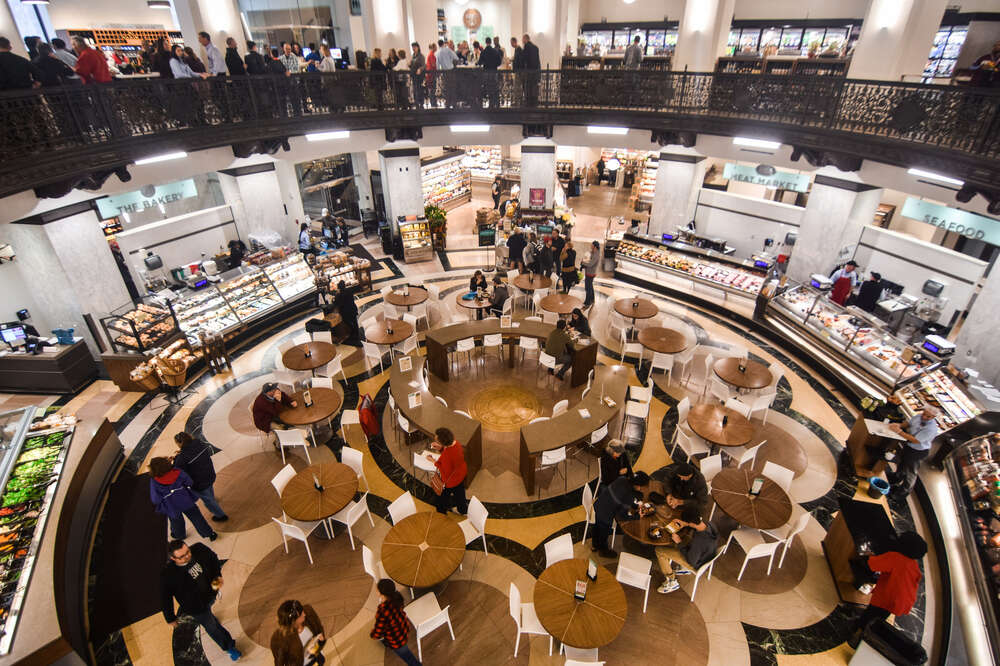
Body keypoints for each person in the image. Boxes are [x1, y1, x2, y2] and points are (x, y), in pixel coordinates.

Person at [161, 539, 241, 660]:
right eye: (182, 556)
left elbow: (213, 559)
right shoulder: (168, 575)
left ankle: (212, 617)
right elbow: (165, 598)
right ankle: (229, 646)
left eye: (188, 551)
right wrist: (170, 618)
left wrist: (217, 576)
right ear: (173, 559)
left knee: (211, 616)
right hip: (196, 607)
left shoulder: (199, 549)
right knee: (212, 627)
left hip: (210, 593)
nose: (187, 556)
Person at [848, 531, 926, 649]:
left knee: (869, 616)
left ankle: (857, 635)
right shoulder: (913, 565)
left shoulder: (895, 557)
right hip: (900, 602)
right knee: (879, 617)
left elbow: (872, 564)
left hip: (887, 597)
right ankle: (866, 632)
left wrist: (869, 555)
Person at [149, 457, 218, 541]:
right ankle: (209, 533)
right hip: (186, 500)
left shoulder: (155, 482)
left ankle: (179, 535)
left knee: (176, 522)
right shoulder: (177, 472)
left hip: (171, 506)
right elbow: (189, 482)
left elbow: (155, 499)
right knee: (197, 517)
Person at [655, 504, 719, 594]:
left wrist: (679, 542)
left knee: (659, 550)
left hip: (697, 563)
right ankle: (680, 568)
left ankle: (671, 581)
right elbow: (694, 526)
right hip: (707, 553)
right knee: (685, 539)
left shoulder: (699, 541)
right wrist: (685, 524)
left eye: (687, 522)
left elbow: (690, 560)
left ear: (692, 523)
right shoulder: (709, 524)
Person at [592, 471, 651, 557]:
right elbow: (622, 516)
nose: (642, 489)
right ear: (638, 486)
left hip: (599, 504)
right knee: (604, 532)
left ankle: (594, 545)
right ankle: (603, 551)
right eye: (643, 487)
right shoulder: (629, 496)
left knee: (597, 526)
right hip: (606, 514)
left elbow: (620, 497)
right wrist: (637, 516)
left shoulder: (622, 479)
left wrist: (635, 506)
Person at [173, 432, 228, 523]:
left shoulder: (182, 458)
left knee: (207, 500)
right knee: (209, 489)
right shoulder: (199, 443)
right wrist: (181, 452)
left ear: (179, 443)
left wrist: (176, 459)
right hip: (209, 473)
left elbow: (179, 470)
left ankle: (220, 515)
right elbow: (193, 453)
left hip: (198, 483)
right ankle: (212, 499)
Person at [886, 406, 939, 496]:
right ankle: (896, 477)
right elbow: (909, 423)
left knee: (910, 472)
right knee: (902, 462)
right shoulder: (919, 416)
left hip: (918, 451)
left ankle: (903, 491)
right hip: (909, 446)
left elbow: (915, 440)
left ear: (933, 417)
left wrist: (899, 432)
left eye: (928, 416)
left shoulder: (931, 428)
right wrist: (899, 425)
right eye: (924, 414)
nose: (924, 417)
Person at [371, 579, 421, 665]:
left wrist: (373, 635)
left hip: (397, 640)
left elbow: (378, 631)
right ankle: (387, 643)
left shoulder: (383, 611)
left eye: (377, 589)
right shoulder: (397, 597)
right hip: (403, 628)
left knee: (409, 658)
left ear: (381, 593)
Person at [270, 599, 326, 666]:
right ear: (293, 621)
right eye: (301, 614)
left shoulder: (308, 613)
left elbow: (319, 629)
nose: (304, 614)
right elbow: (279, 663)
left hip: (317, 659)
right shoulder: (279, 639)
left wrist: (321, 642)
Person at [428, 427, 468, 515]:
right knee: (460, 494)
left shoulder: (448, 455)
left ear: (443, 442)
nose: (437, 442)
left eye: (438, 441)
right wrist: (440, 448)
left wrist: (433, 461)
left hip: (450, 481)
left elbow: (444, 471)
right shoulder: (456, 444)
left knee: (441, 499)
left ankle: (441, 513)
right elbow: (449, 452)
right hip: (460, 475)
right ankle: (462, 510)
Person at [334, 280, 360, 344]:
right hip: (352, 309)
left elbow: (337, 303)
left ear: (339, 288)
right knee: (355, 321)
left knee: (348, 323)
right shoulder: (349, 291)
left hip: (345, 313)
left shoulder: (338, 295)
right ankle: (357, 334)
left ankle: (352, 334)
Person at [581, 240, 600, 307]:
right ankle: (592, 299)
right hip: (589, 272)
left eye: (592, 245)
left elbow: (590, 264)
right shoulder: (593, 252)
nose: (590, 246)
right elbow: (588, 258)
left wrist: (583, 263)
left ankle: (587, 302)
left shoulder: (596, 254)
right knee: (590, 286)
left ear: (595, 247)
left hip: (591, 273)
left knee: (588, 287)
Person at [408, 42, 425, 108]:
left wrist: (420, 69)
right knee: (415, 89)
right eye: (413, 47)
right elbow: (412, 65)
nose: (413, 48)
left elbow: (423, 65)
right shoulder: (413, 56)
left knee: (420, 89)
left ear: (418, 47)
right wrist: (409, 65)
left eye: (415, 47)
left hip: (419, 75)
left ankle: (421, 103)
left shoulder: (421, 56)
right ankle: (416, 102)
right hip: (414, 75)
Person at [424, 42, 436, 106]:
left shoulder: (430, 54)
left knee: (432, 89)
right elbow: (433, 64)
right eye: (435, 47)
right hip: (431, 74)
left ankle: (433, 102)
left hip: (430, 74)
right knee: (432, 89)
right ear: (433, 47)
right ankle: (433, 103)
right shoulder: (431, 54)